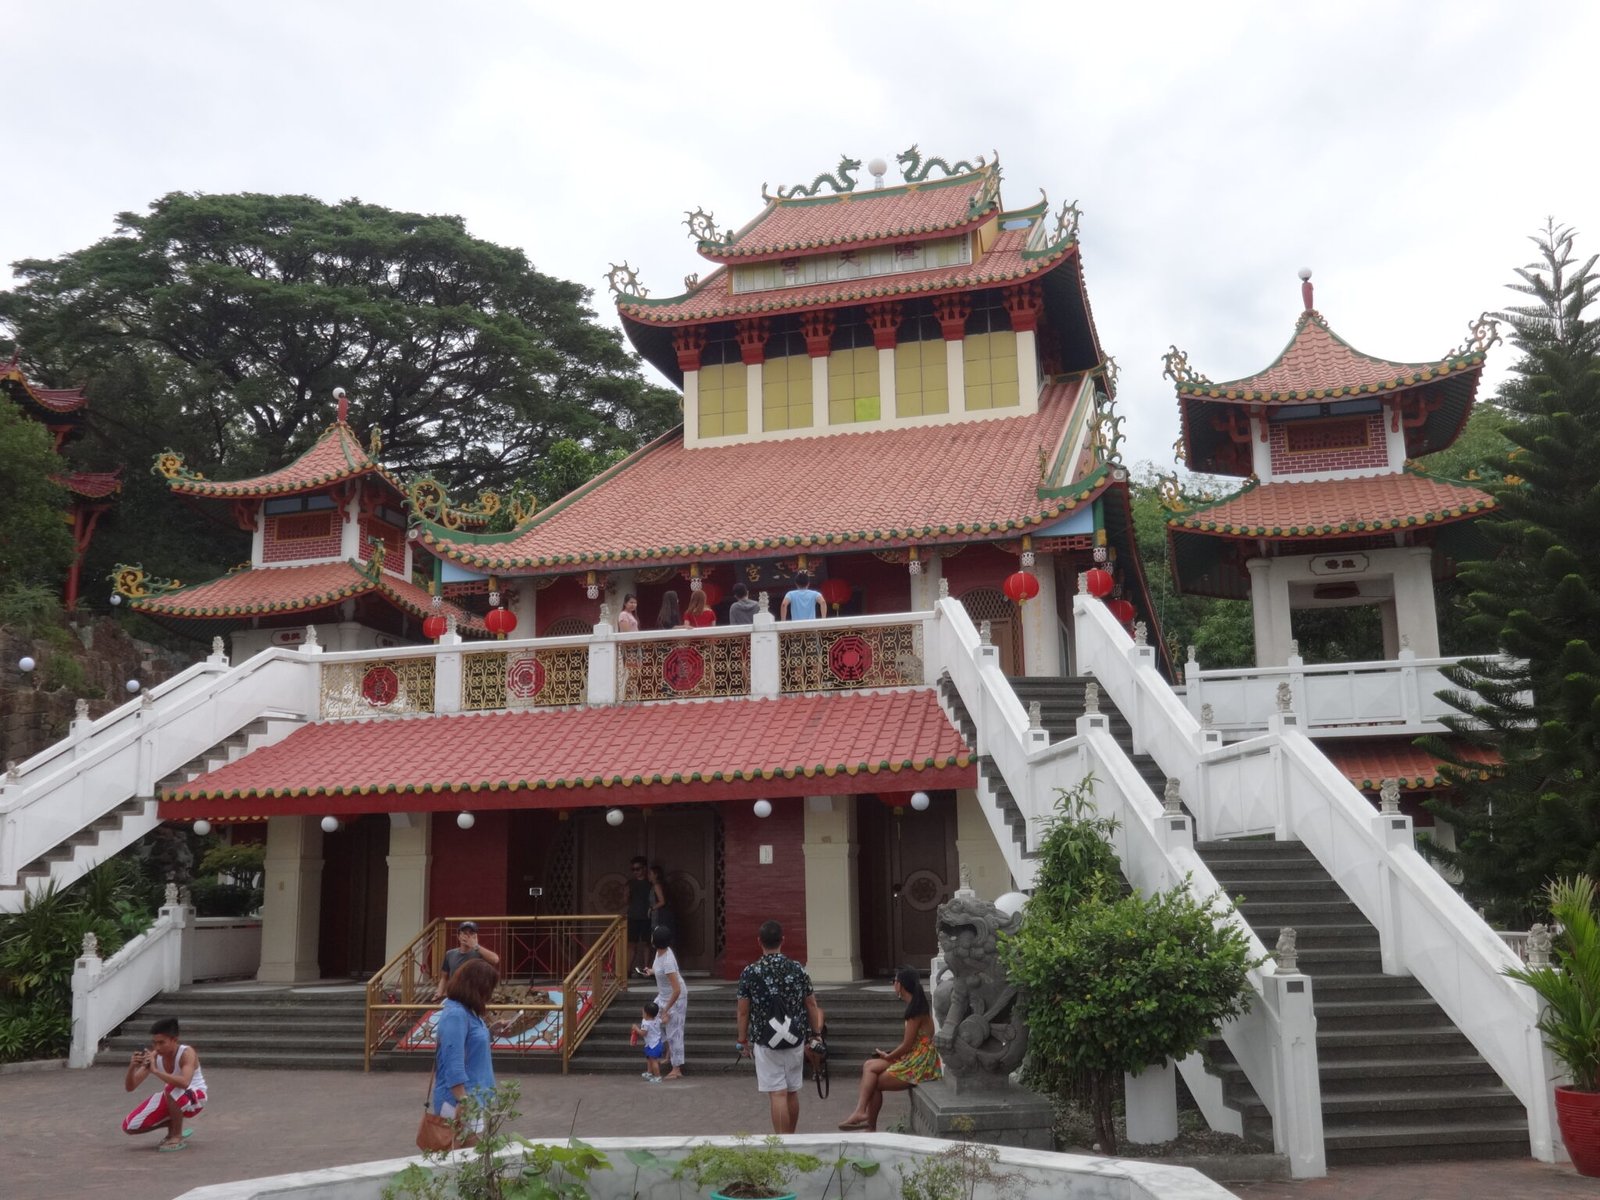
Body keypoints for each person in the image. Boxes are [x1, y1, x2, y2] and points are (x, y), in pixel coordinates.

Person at [736, 919, 826, 1134]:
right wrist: (816, 1034)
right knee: (792, 1091)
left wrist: (742, 1040)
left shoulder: (750, 972)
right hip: (794, 1038)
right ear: (782, 940)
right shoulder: (797, 969)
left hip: (765, 1040)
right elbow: (811, 1003)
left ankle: (780, 1143)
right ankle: (791, 1139)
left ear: (759, 941)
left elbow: (743, 1010)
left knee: (777, 1093)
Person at [837, 965, 942, 1131]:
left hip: (920, 1062)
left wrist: (888, 1056)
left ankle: (869, 1125)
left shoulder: (916, 1011)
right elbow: (909, 1045)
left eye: (894, 981)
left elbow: (907, 1045)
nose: (893, 984)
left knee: (875, 1082)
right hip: (913, 1056)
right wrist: (889, 1055)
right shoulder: (914, 1006)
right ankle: (861, 1112)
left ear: (900, 984)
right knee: (869, 1066)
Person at [433, 957, 498, 1137]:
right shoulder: (456, 1014)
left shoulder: (468, 1012)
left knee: (471, 1156)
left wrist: (492, 1030)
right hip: (461, 1099)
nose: (490, 994)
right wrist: (463, 1099)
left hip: (474, 1096)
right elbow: (453, 1060)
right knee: (466, 1156)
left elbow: (471, 1042)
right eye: (488, 988)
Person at [122, 1016, 207, 1151]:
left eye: (162, 1043)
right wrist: (132, 1067)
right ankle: (172, 1123)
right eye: (154, 1043)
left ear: (174, 1040)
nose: (157, 1047)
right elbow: (130, 1087)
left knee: (170, 1087)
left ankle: (176, 1135)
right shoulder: (154, 1056)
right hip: (172, 1096)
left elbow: (185, 1082)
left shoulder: (187, 1052)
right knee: (130, 1126)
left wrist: (155, 1071)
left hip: (196, 1097)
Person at [650, 924, 689, 1079]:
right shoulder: (659, 953)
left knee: (675, 1031)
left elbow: (677, 989)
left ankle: (676, 1068)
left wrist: (666, 1010)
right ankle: (669, 1054)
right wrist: (651, 972)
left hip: (676, 998)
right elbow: (659, 971)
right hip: (663, 995)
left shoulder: (667, 960)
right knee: (653, 1021)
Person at [436, 920, 500, 998]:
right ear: (458, 936)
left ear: (475, 936)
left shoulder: (480, 953)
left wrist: (475, 946)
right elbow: (444, 977)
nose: (467, 936)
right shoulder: (450, 954)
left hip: (473, 996)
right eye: (464, 933)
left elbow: (495, 959)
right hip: (454, 995)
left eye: (471, 933)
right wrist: (439, 993)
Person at [626, 856, 654, 976]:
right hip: (633, 916)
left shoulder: (650, 883)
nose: (635, 872)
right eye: (633, 869)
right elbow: (626, 901)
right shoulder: (630, 883)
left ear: (644, 868)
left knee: (647, 944)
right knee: (631, 944)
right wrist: (626, 895)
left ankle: (646, 969)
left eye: (638, 869)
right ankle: (627, 970)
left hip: (647, 917)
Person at [633, 999, 666, 1083]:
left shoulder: (645, 1023)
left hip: (653, 1045)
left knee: (653, 1060)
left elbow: (643, 1033)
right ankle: (649, 1073)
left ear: (647, 1014)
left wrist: (636, 1028)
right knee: (649, 1059)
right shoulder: (657, 1019)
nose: (642, 1014)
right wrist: (666, 1014)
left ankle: (658, 1077)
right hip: (656, 1043)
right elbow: (665, 1020)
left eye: (643, 1013)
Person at [646, 862, 674, 937]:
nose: (648, 876)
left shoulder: (656, 886)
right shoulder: (654, 886)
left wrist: (651, 908)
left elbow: (662, 901)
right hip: (658, 916)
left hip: (660, 916)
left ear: (656, 875)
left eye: (650, 874)